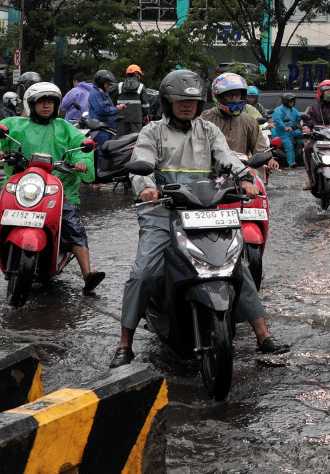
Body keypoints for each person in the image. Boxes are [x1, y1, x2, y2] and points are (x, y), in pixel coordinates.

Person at [111, 69, 290, 367]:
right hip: (162, 213)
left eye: (192, 102)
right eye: (180, 100)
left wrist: (246, 178)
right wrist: (146, 189)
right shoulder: (153, 131)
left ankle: (263, 335)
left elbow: (227, 157)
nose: (186, 106)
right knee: (144, 272)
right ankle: (124, 343)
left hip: (203, 211)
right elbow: (141, 162)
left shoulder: (208, 130)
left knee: (234, 264)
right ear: (167, 102)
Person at [0, 82, 104, 293]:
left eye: (50, 102)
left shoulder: (65, 127)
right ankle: (3, 246)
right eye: (41, 102)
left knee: (72, 225)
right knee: (1, 200)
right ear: (31, 105)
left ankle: (87, 275)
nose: (46, 106)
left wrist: (80, 161)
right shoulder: (15, 124)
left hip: (60, 189)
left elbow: (81, 145)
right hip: (23, 186)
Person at [200, 73, 279, 178]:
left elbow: (259, 148)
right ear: (219, 96)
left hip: (240, 174)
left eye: (237, 95)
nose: (235, 99)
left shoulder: (249, 120)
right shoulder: (205, 119)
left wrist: (269, 159)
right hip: (211, 175)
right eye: (229, 95)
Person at [271, 93, 306, 170]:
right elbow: (277, 120)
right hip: (281, 133)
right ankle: (291, 163)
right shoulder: (279, 110)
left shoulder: (293, 110)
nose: (291, 102)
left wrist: (301, 125)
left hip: (291, 131)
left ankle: (300, 154)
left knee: (304, 135)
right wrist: (285, 127)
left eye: (293, 101)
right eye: (290, 101)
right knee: (289, 145)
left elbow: (299, 116)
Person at [115, 65, 149, 135]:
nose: (140, 77)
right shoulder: (141, 86)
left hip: (122, 118)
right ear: (136, 74)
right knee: (136, 138)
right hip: (136, 118)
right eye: (139, 75)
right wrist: (146, 115)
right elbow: (145, 104)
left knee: (121, 139)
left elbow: (108, 94)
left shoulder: (119, 86)